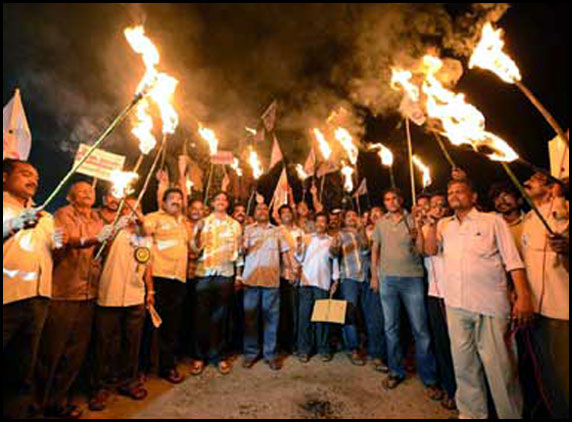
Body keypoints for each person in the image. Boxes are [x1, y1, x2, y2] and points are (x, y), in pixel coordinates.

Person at [423, 178, 534, 419]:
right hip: (455, 306)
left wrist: (523, 296)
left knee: (500, 369)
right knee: (465, 367)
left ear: (473, 197)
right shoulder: (444, 225)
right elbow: (430, 251)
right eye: (450, 191)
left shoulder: (493, 221)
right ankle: (472, 414)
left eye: (459, 191)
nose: (453, 195)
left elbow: (513, 261)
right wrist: (431, 223)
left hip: (490, 306)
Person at [36, 181, 113, 419]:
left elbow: (103, 246)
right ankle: (36, 405)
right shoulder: (62, 214)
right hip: (64, 292)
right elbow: (66, 240)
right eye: (81, 191)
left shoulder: (97, 220)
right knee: (51, 352)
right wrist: (95, 239)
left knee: (75, 354)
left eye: (90, 191)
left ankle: (58, 402)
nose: (88, 193)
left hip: (89, 293)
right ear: (70, 197)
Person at [3, 159, 64, 419]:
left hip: (37, 299)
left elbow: (53, 253)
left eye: (36, 177)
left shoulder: (45, 217)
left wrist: (61, 244)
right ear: (4, 177)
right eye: (25, 174)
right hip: (7, 297)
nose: (33, 180)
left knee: (22, 370)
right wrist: (16, 223)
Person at [370, 189, 440, 399]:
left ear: (401, 200)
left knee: (420, 329)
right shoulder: (381, 222)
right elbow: (375, 250)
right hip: (388, 280)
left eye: (394, 199)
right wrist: (375, 276)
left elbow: (421, 250)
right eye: (387, 199)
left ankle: (429, 378)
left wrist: (417, 230)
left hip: (412, 279)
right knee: (391, 328)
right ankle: (396, 371)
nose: (391, 202)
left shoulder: (413, 219)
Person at [90, 197, 153, 411]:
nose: (132, 212)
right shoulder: (111, 231)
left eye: (137, 208)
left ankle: (128, 382)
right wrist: (115, 227)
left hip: (135, 295)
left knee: (132, 343)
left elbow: (147, 262)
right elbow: (98, 249)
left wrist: (150, 290)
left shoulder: (143, 237)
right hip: (109, 294)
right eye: (128, 208)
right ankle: (101, 387)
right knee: (105, 344)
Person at [522, 172, 569, 418]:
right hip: (536, 309)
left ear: (551, 188)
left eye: (538, 178)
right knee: (547, 373)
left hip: (561, 310)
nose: (528, 180)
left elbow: (562, 232)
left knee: (565, 376)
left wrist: (559, 199)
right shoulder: (530, 217)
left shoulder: (562, 212)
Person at [190, 191, 242, 375]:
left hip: (225, 274)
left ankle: (218, 356)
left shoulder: (235, 225)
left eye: (224, 199)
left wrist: (238, 275)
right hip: (204, 274)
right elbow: (195, 249)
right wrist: (197, 232)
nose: (221, 202)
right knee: (201, 317)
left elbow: (239, 252)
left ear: (227, 204)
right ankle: (199, 357)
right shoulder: (204, 222)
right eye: (217, 199)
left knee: (221, 318)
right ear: (212, 203)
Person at [143, 187, 189, 384]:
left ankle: (167, 367)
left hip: (178, 279)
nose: (176, 201)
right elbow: (143, 230)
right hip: (158, 278)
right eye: (172, 198)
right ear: (163, 202)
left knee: (172, 326)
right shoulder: (154, 217)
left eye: (179, 198)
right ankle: (143, 368)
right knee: (150, 325)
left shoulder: (183, 222)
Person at [417, 192, 457, 410]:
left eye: (442, 205)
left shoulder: (454, 225)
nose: (439, 208)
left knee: (461, 346)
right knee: (442, 344)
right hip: (437, 293)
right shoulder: (426, 228)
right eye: (434, 205)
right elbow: (428, 250)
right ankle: (449, 387)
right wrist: (429, 224)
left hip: (458, 293)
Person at [241, 203, 292, 370]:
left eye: (264, 209)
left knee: (271, 320)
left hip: (271, 282)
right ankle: (250, 353)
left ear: (268, 213)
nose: (262, 211)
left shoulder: (277, 231)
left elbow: (284, 252)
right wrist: (243, 247)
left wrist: (290, 270)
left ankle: (270, 354)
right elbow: (239, 254)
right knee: (250, 319)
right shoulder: (247, 230)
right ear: (254, 213)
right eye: (258, 209)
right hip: (251, 281)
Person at [295, 212, 339, 363]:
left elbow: (335, 261)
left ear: (327, 224)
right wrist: (300, 246)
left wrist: (335, 281)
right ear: (314, 224)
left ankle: (323, 348)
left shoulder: (332, 240)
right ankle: (304, 349)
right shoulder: (308, 239)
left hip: (323, 282)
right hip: (306, 282)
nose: (320, 224)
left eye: (323, 221)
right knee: (304, 317)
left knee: (322, 317)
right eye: (318, 221)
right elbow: (299, 258)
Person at [329, 210, 369, 366]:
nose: (351, 218)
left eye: (354, 215)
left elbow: (366, 250)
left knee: (365, 314)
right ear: (344, 220)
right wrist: (334, 246)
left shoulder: (363, 232)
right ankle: (352, 348)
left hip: (365, 277)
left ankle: (368, 346)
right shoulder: (340, 234)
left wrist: (362, 232)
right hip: (349, 278)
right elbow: (332, 255)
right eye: (348, 216)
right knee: (349, 314)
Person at [277, 204, 304, 355]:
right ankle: (283, 343)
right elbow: (282, 253)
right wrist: (290, 270)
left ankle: (294, 343)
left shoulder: (299, 231)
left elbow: (302, 251)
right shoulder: (277, 231)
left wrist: (297, 270)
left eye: (289, 212)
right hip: (283, 275)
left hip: (298, 274)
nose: (286, 214)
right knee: (283, 311)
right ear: (280, 216)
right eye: (283, 213)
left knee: (295, 310)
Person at [489, 182, 526, 255]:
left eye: (505, 196)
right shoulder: (491, 222)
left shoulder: (530, 222)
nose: (501, 201)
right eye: (496, 198)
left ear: (519, 200)